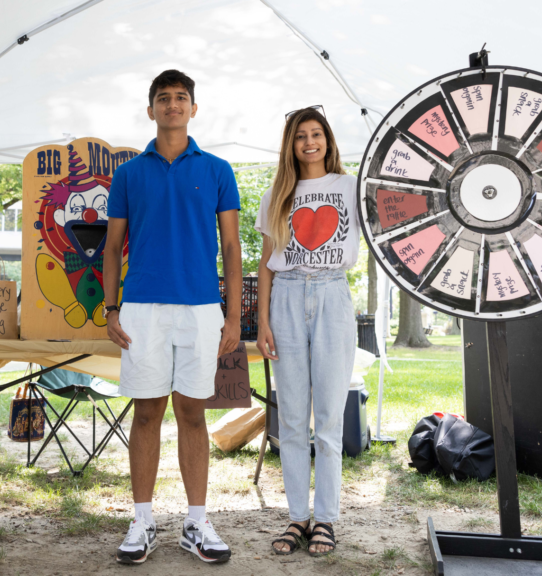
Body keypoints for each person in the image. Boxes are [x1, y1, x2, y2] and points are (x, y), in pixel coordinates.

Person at [103, 69, 242, 565]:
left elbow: (230, 245)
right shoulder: (128, 173)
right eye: (164, 98)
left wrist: (233, 317)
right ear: (151, 110)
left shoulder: (218, 169)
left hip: (203, 307)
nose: (173, 105)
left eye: (181, 98)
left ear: (193, 108)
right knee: (146, 413)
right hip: (141, 306)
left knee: (192, 413)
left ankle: (196, 522)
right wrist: (110, 305)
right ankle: (142, 521)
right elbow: (113, 246)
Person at [255, 106, 359, 557]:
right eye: (300, 136)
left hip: (334, 295)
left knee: (330, 418)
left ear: (328, 140)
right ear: (290, 144)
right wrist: (261, 321)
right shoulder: (278, 192)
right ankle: (298, 516)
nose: (309, 142)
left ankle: (327, 519)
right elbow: (265, 264)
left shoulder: (350, 187)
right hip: (287, 298)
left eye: (317, 134)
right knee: (293, 418)